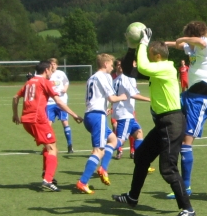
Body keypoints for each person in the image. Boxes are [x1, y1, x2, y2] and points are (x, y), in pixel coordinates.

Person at [111, 30, 195, 216]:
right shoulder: (158, 69)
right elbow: (128, 69)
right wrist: (132, 48)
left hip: (172, 122)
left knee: (168, 168)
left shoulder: (165, 68)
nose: (147, 58)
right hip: (164, 123)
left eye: (149, 54)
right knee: (141, 157)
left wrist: (143, 43)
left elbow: (142, 65)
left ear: (157, 55)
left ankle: (188, 209)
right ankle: (132, 197)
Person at [164, 21, 207, 197]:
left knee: (186, 144)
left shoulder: (205, 44)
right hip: (188, 96)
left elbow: (199, 41)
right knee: (170, 118)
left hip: (199, 101)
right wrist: (161, 44)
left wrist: (183, 38)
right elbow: (179, 45)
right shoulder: (192, 48)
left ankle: (185, 187)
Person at [13, 62, 82, 191]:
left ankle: (47, 173)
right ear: (46, 70)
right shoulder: (44, 82)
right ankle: (48, 180)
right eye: (51, 70)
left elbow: (15, 97)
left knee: (49, 146)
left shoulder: (30, 82)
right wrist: (74, 115)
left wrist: (15, 115)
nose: (52, 72)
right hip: (38, 120)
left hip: (26, 121)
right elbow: (59, 102)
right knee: (52, 149)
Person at [75, 54, 125, 194]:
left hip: (91, 114)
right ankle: (83, 182)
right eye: (111, 64)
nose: (112, 67)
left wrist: (104, 109)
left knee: (113, 140)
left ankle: (103, 168)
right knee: (99, 151)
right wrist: (123, 96)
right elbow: (112, 98)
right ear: (105, 64)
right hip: (97, 117)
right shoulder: (103, 76)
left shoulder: (92, 77)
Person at [112, 59, 149, 162]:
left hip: (126, 113)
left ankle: (140, 161)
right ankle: (101, 150)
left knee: (139, 134)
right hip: (125, 114)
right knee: (120, 141)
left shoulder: (116, 79)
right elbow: (133, 95)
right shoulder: (127, 78)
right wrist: (150, 99)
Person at [46, 58, 74, 153]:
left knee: (65, 122)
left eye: (54, 64)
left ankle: (70, 145)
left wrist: (65, 88)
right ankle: (48, 146)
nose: (52, 66)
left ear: (57, 65)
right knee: (48, 125)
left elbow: (66, 82)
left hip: (61, 101)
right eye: (51, 64)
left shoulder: (61, 73)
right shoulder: (46, 75)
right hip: (49, 102)